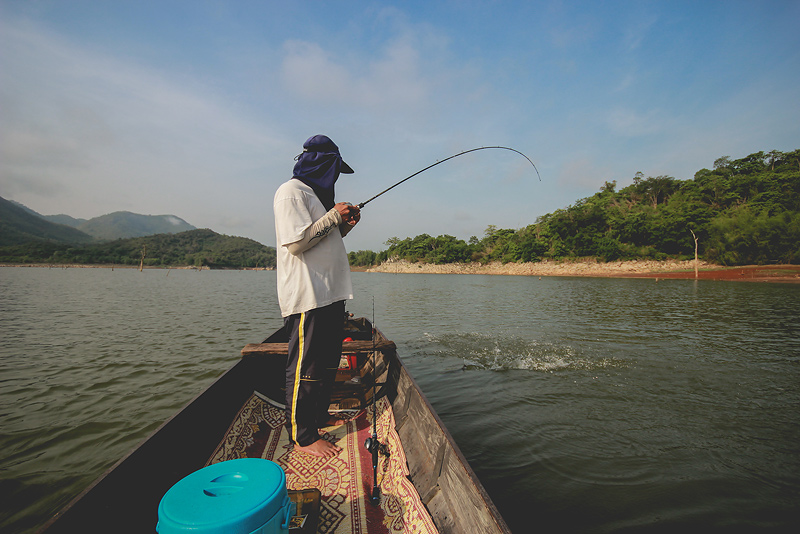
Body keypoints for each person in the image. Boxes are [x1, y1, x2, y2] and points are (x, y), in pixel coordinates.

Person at [273, 135, 361, 458]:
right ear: (323, 165)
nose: (335, 178)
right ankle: (303, 435)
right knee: (304, 366)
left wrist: (343, 224)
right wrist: (334, 217)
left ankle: (318, 417)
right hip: (307, 296)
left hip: (330, 294)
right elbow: (297, 243)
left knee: (324, 364)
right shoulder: (290, 193)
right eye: (335, 170)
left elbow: (322, 240)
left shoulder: (315, 199)